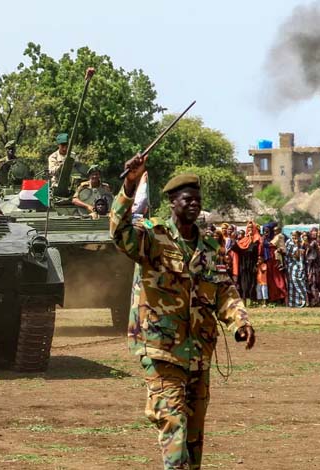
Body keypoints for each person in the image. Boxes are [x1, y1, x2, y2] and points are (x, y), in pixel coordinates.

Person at [110, 154, 255, 470]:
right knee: (174, 428)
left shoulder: (208, 246)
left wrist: (239, 321)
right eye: (188, 200)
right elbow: (119, 232)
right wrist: (130, 183)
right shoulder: (153, 238)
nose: (194, 205)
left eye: (197, 200)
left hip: (198, 353)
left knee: (194, 438)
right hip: (162, 351)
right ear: (173, 203)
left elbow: (222, 289)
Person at [231, 221, 261, 303]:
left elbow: (258, 252)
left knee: (252, 283)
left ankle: (252, 301)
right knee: (243, 283)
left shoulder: (258, 239)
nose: (250, 229)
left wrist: (257, 264)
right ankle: (244, 301)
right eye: (249, 227)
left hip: (252, 264)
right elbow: (235, 248)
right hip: (243, 264)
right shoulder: (244, 240)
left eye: (252, 227)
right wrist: (233, 239)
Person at [262, 223, 287, 303]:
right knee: (270, 280)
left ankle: (283, 296)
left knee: (278, 278)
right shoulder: (264, 238)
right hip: (268, 260)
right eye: (265, 231)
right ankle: (274, 298)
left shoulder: (278, 237)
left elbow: (282, 247)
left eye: (268, 231)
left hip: (275, 259)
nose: (266, 233)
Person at [285, 230, 308, 308]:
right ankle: (293, 302)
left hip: (298, 265)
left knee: (297, 280)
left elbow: (298, 256)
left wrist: (297, 244)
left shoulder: (301, 243)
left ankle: (304, 300)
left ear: (298, 236)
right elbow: (287, 253)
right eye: (292, 235)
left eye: (295, 235)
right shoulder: (288, 242)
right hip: (290, 264)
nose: (294, 237)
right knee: (291, 283)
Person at [306, 227, 320, 306]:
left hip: (315, 266)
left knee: (314, 283)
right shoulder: (314, 242)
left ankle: (316, 301)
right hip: (314, 266)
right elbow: (310, 248)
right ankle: (316, 301)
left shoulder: (314, 242)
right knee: (314, 283)